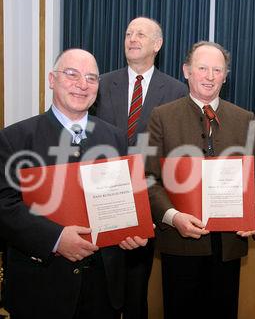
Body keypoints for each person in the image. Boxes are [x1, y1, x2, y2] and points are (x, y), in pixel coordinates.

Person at [0, 49, 147, 318]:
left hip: (104, 290)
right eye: (72, 74)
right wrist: (54, 238)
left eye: (92, 78)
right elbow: (4, 207)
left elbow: (124, 200)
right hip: (42, 288)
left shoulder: (115, 137)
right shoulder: (16, 138)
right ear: (51, 79)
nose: (82, 84)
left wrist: (131, 231)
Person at [145, 41, 255, 319]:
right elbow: (148, 177)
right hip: (179, 241)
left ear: (225, 75)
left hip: (228, 243)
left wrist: (250, 210)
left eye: (217, 70)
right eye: (202, 68)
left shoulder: (245, 119)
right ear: (187, 71)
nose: (210, 76)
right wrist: (173, 217)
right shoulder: (162, 117)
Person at [93, 16, 187, 319]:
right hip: (100, 200)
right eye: (128, 33)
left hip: (147, 200)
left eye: (141, 34)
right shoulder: (101, 83)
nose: (132, 39)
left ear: (157, 45)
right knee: (99, 288)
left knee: (136, 290)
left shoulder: (175, 91)